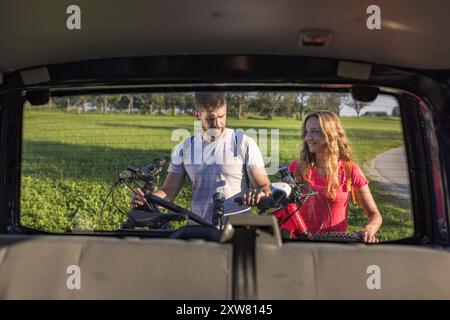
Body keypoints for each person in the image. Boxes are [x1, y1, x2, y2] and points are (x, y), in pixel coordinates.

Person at [131, 92, 271, 223]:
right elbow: (168, 192)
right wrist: (148, 201)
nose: (217, 124)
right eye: (210, 119)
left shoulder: (243, 143)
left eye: (221, 116)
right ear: (197, 115)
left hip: (237, 228)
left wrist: (259, 193)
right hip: (199, 228)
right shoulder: (184, 148)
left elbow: (265, 186)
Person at [288, 110, 382, 243]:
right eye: (306, 132)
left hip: (336, 246)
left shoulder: (350, 170)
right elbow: (280, 207)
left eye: (315, 131)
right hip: (301, 245)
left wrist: (369, 229)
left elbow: (374, 214)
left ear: (330, 134)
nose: (308, 137)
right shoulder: (296, 168)